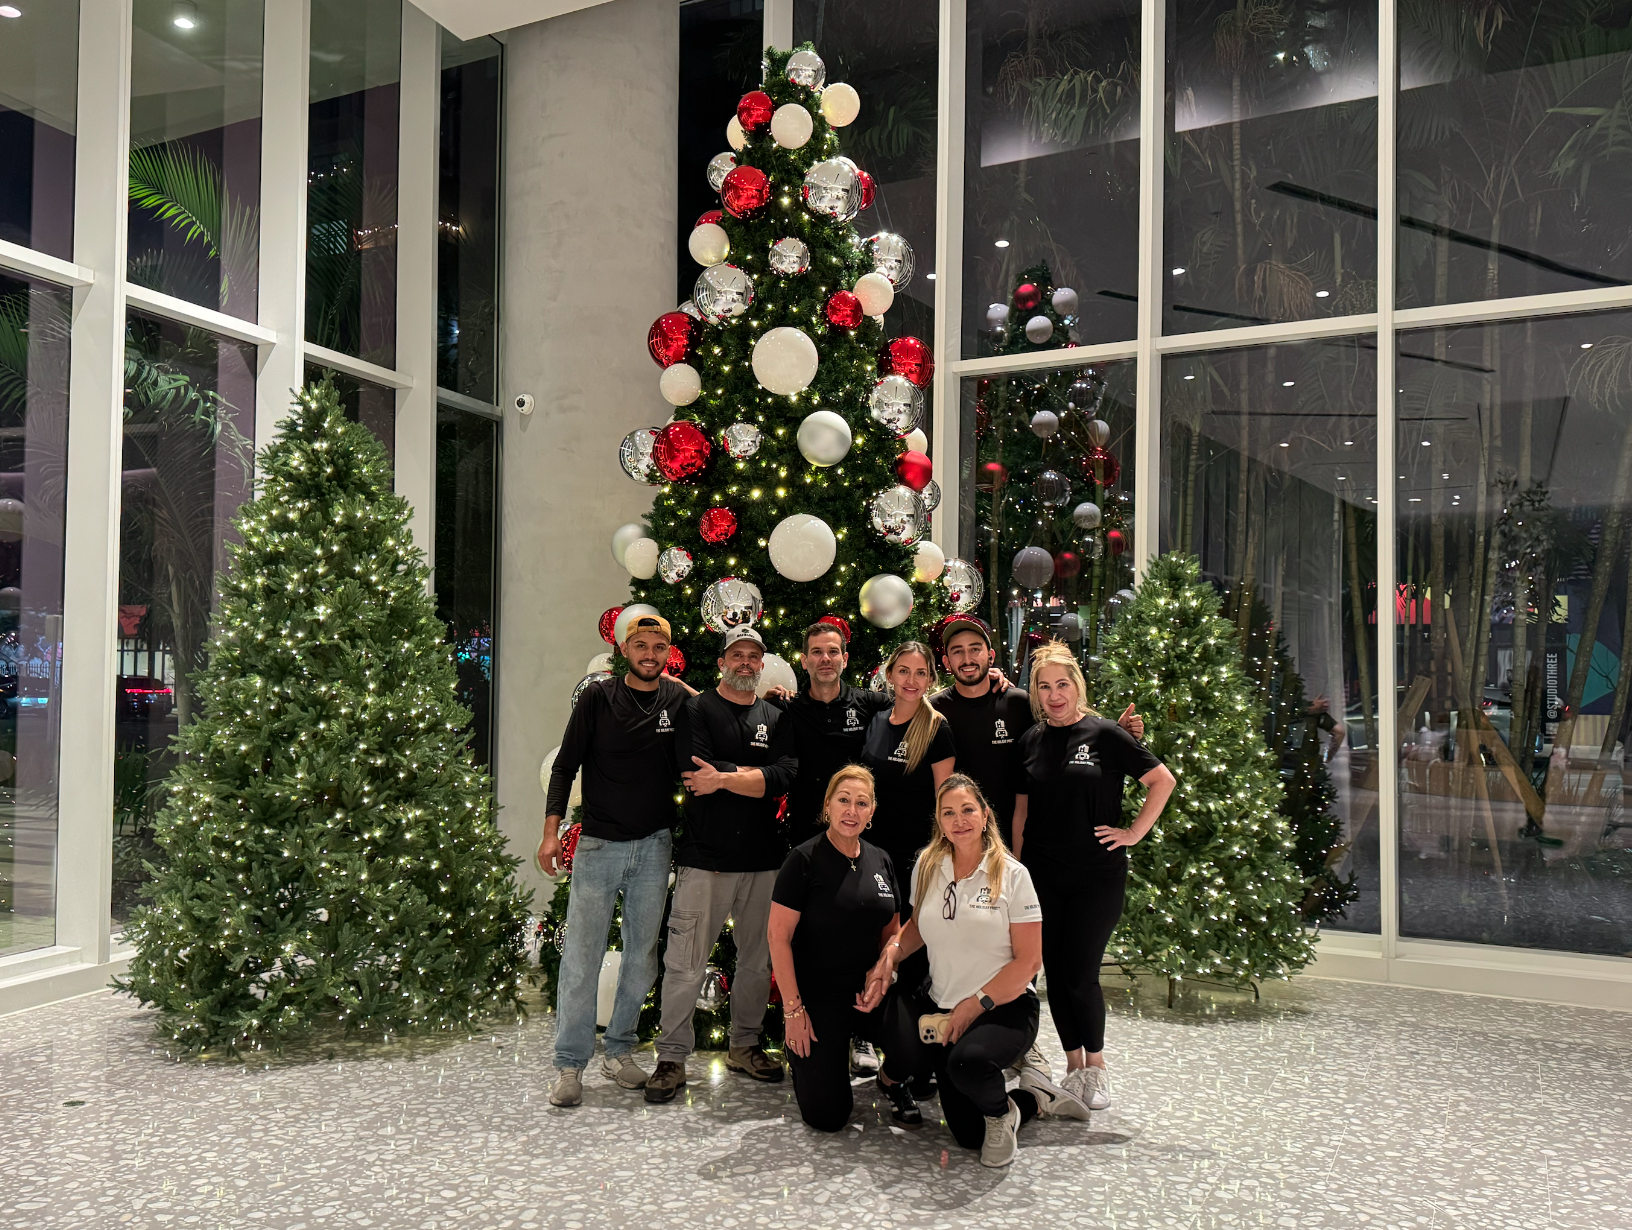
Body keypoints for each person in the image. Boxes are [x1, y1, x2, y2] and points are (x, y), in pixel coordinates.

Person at [861, 774, 1093, 1168]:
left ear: (985, 816)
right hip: (943, 1007)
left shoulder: (1013, 875)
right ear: (939, 821)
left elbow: (1029, 962)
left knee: (967, 1064)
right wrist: (891, 955)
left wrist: (976, 1003)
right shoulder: (928, 865)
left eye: (968, 810)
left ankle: (1002, 1115)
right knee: (969, 1135)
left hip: (1004, 1007)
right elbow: (918, 925)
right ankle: (1034, 1098)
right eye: (948, 813)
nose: (959, 820)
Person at [1012, 640, 1176, 1112]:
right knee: (1056, 973)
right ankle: (1073, 1066)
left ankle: (1097, 1066)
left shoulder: (1106, 734)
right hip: (1042, 876)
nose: (1054, 694)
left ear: (1077, 686)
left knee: (1081, 974)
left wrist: (1133, 833)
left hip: (1096, 878)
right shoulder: (1031, 741)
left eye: (1062, 684)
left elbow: (1162, 781)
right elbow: (1021, 812)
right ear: (1036, 693)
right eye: (1044, 686)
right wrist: (1017, 869)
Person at [539, 613, 694, 1108]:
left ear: (668, 653)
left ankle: (620, 1050)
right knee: (581, 958)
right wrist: (550, 833)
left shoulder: (675, 699)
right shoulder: (598, 698)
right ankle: (569, 1063)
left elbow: (719, 711)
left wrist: (686, 688)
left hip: (654, 848)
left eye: (658, 646)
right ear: (624, 650)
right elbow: (565, 766)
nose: (649, 654)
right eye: (640, 645)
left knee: (641, 958)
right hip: (599, 847)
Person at [646, 625, 797, 1103]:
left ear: (761, 664)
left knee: (757, 963)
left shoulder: (775, 716)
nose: (746, 663)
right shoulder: (697, 710)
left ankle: (744, 1046)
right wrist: (755, 777)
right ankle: (672, 1057)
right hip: (705, 860)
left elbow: (785, 776)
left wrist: (727, 777)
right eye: (737, 655)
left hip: (763, 861)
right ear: (722, 662)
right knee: (685, 963)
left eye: (754, 656)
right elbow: (696, 774)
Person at [768, 765, 921, 1131]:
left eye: (861, 803)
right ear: (828, 806)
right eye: (843, 800)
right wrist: (793, 1012)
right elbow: (777, 937)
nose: (852, 810)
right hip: (818, 996)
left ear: (872, 812)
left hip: (870, 988)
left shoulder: (881, 859)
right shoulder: (803, 860)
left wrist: (884, 974)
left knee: (917, 1046)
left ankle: (889, 1081)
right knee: (828, 1117)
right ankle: (807, 1057)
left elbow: (893, 932)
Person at [932, 614, 1143, 847]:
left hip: (1021, 837)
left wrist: (1116, 736)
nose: (967, 658)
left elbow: (1066, 729)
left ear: (990, 656)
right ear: (946, 662)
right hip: (960, 836)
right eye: (958, 651)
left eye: (975, 649)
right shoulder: (933, 710)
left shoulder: (1019, 703)